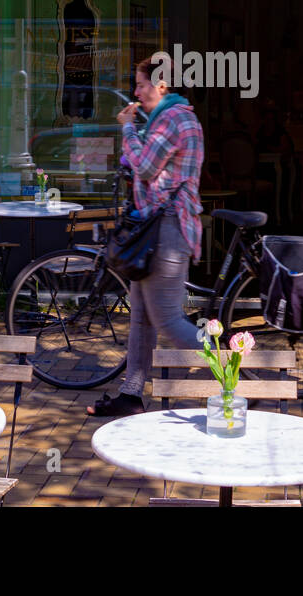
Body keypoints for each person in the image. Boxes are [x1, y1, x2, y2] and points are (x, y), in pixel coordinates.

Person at [86, 58, 204, 417]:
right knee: (141, 317)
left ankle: (238, 371)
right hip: (154, 227)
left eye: (140, 85)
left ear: (162, 84)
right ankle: (131, 396)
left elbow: (146, 166)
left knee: (167, 320)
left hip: (167, 229)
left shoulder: (174, 118)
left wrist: (126, 129)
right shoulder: (164, 119)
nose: (135, 92)